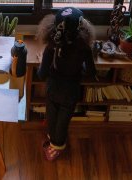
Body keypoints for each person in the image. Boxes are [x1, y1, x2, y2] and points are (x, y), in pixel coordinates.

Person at [36, 7, 97, 161]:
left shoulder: (51, 47)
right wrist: (79, 68)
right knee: (63, 120)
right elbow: (91, 73)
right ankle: (57, 146)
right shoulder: (85, 48)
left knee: (52, 116)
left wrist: (41, 62)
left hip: (53, 88)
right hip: (71, 91)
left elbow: (42, 74)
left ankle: (53, 144)